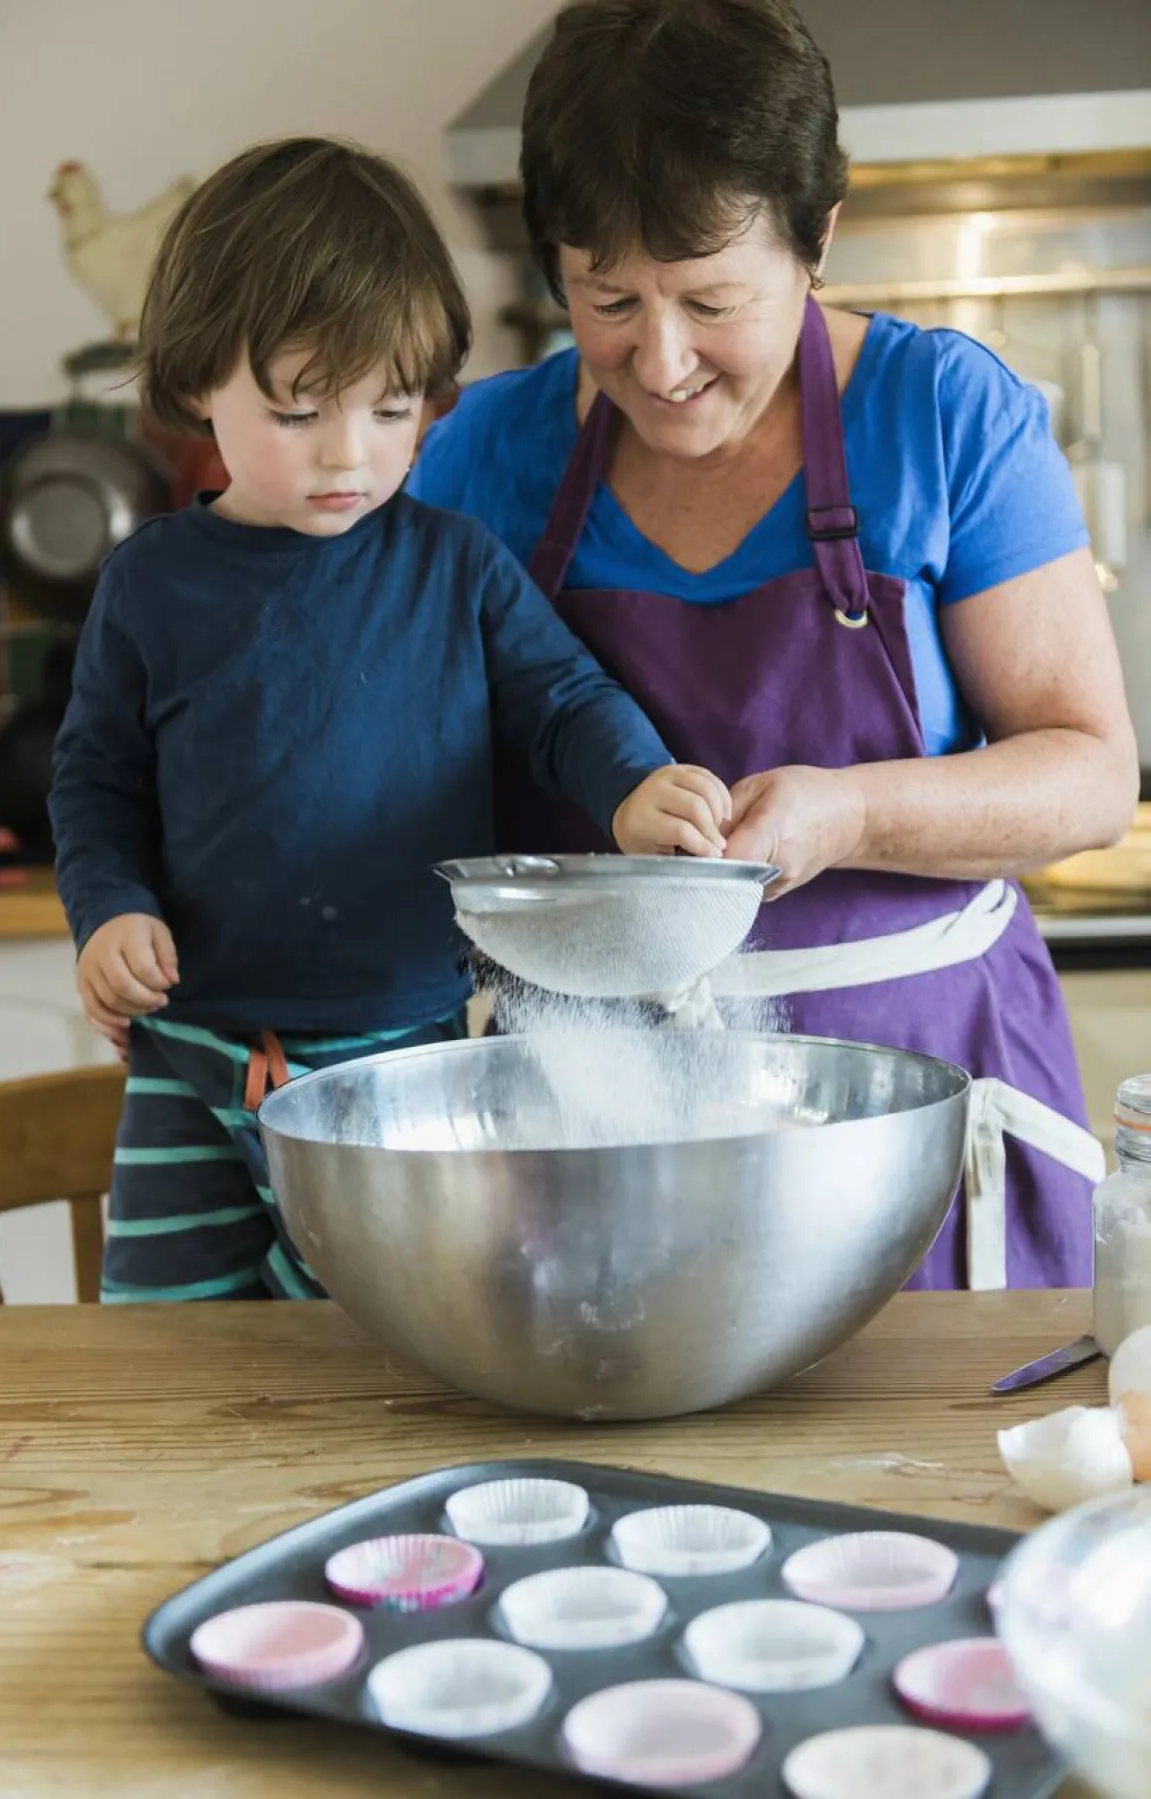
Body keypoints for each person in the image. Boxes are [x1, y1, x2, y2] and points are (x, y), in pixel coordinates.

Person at [410, 0, 1141, 1292]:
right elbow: (400, 775)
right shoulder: (485, 455)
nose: (663, 358)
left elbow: (1088, 770)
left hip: (924, 1124)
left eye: (711, 298)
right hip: (603, 1138)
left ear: (819, 242)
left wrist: (844, 813)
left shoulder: (943, 416)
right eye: (610, 298)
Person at [50, 136, 731, 1305]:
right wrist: (106, 910)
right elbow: (94, 782)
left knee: (380, 1343)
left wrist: (630, 784)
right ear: (198, 379)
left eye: (392, 410)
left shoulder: (456, 565)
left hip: (400, 1059)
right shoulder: (149, 586)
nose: (349, 455)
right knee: (161, 1353)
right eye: (299, 410)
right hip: (189, 1056)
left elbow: (561, 701)